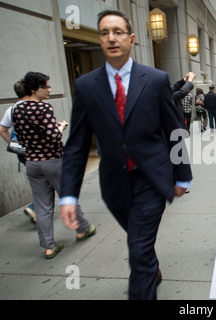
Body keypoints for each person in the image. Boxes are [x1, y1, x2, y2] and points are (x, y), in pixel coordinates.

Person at [59, 10, 192, 300]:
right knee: (139, 243)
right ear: (100, 39)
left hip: (152, 179)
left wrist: (183, 176)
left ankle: (144, 273)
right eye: (105, 32)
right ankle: (150, 266)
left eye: (118, 32)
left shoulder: (156, 80)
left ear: (131, 39)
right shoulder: (86, 86)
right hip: (114, 185)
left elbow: (175, 131)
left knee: (138, 249)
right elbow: (78, 144)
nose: (111, 38)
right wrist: (68, 195)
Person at [12, 72, 95, 260]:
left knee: (42, 206)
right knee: (68, 196)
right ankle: (82, 229)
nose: (49, 90)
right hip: (52, 160)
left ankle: (49, 246)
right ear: (34, 89)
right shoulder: (43, 108)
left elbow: (22, 138)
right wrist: (61, 126)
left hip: (32, 162)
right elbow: (53, 136)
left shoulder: (17, 109)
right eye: (46, 87)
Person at [1, 81, 36, 224]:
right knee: (46, 180)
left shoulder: (12, 109)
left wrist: (14, 144)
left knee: (37, 179)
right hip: (39, 151)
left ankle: (39, 208)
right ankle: (35, 207)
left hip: (22, 151)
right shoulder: (35, 107)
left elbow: (2, 130)